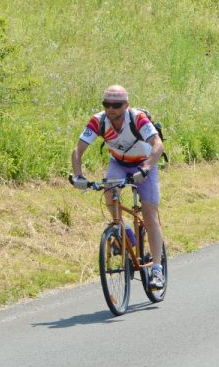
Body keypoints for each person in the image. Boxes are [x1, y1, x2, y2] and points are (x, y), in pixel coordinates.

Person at [71, 85, 167, 290]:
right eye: (107, 104)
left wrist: (147, 167)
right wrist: (78, 175)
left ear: (126, 105)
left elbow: (158, 145)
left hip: (143, 163)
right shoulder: (98, 121)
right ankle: (125, 234)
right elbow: (78, 150)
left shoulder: (138, 118)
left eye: (117, 105)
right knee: (109, 195)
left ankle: (157, 270)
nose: (111, 109)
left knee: (149, 214)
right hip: (118, 164)